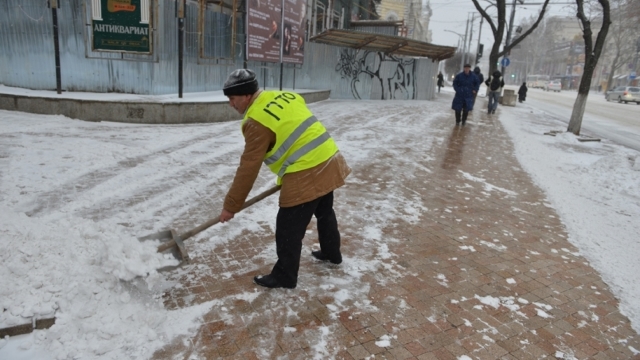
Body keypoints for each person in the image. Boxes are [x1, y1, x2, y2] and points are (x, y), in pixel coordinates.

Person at [219, 69, 351, 289]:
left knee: (288, 228)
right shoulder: (283, 95)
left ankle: (284, 276)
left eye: (233, 99)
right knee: (325, 212)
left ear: (247, 96)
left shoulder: (256, 121)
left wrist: (230, 206)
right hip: (329, 158)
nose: (231, 104)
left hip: (307, 170)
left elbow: (248, 168)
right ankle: (331, 253)